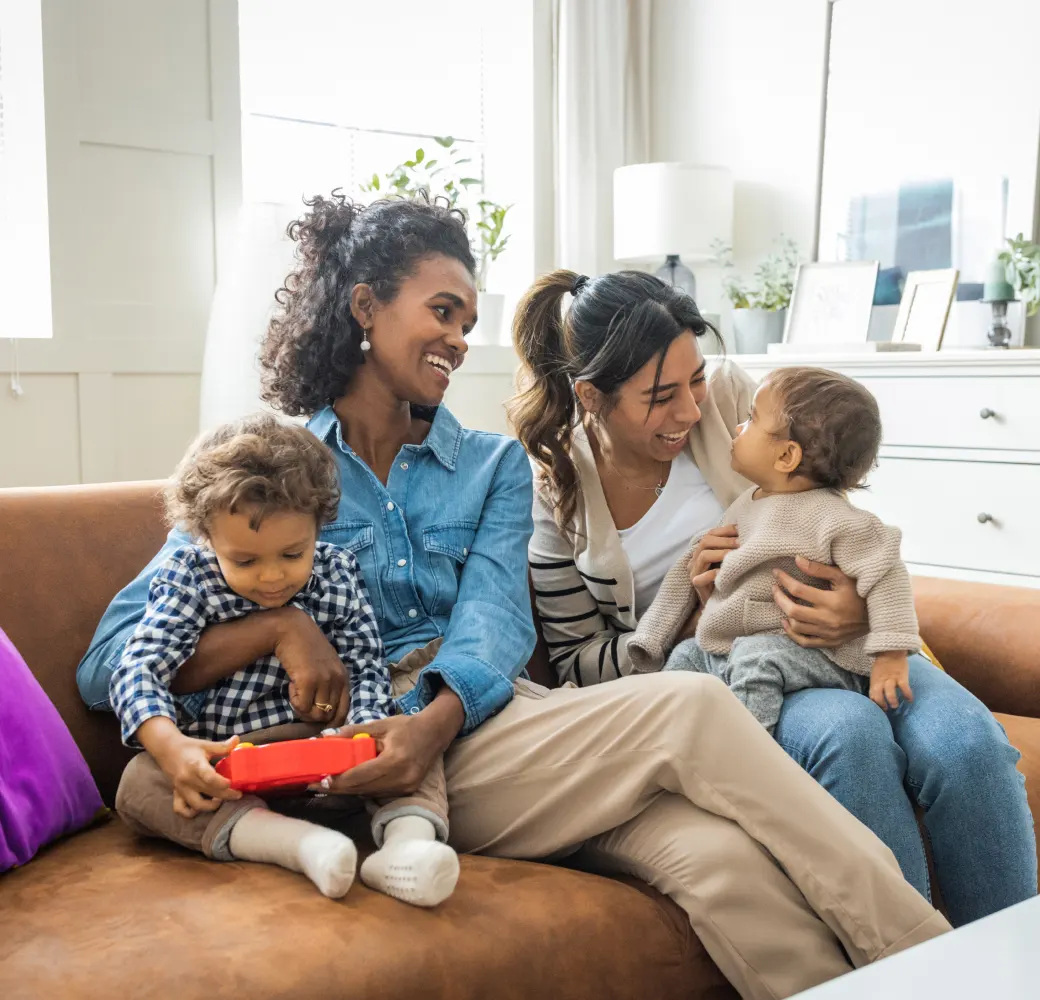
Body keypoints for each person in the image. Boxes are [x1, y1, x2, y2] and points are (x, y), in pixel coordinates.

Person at [77, 194, 949, 1000]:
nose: (459, 339)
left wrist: (429, 727)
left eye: (468, 321)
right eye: (443, 311)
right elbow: (107, 661)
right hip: (346, 761)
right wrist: (283, 623)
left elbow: (495, 623)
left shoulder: (493, 467)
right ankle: (941, 969)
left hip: (472, 735)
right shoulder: (265, 467)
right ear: (366, 308)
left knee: (720, 861)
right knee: (691, 708)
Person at [512, 268, 1036, 928]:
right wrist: (688, 622)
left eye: (695, 379)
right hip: (739, 673)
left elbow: (828, 512)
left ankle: (1016, 974)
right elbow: (575, 668)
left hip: (847, 642)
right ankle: (913, 972)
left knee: (969, 746)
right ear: (593, 395)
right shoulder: (552, 490)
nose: (693, 411)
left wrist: (857, 607)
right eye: (660, 396)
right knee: (851, 737)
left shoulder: (737, 397)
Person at [109, 413, 458, 905]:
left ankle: (407, 847)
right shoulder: (188, 575)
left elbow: (365, 667)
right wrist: (172, 747)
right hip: (234, 760)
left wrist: (364, 738)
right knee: (138, 784)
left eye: (293, 554)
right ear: (207, 537)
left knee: (410, 736)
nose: (272, 577)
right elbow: (138, 667)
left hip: (327, 749)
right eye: (246, 561)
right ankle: (296, 846)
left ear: (320, 526)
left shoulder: (337, 571)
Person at [630, 366, 921, 731]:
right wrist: (651, 638)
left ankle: (749, 765)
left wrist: (891, 654)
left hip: (817, 654)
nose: (738, 427)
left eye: (751, 419)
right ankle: (669, 755)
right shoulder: (746, 504)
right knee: (686, 656)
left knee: (756, 657)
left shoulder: (836, 517)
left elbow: (887, 574)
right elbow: (686, 569)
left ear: (787, 456)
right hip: (731, 645)